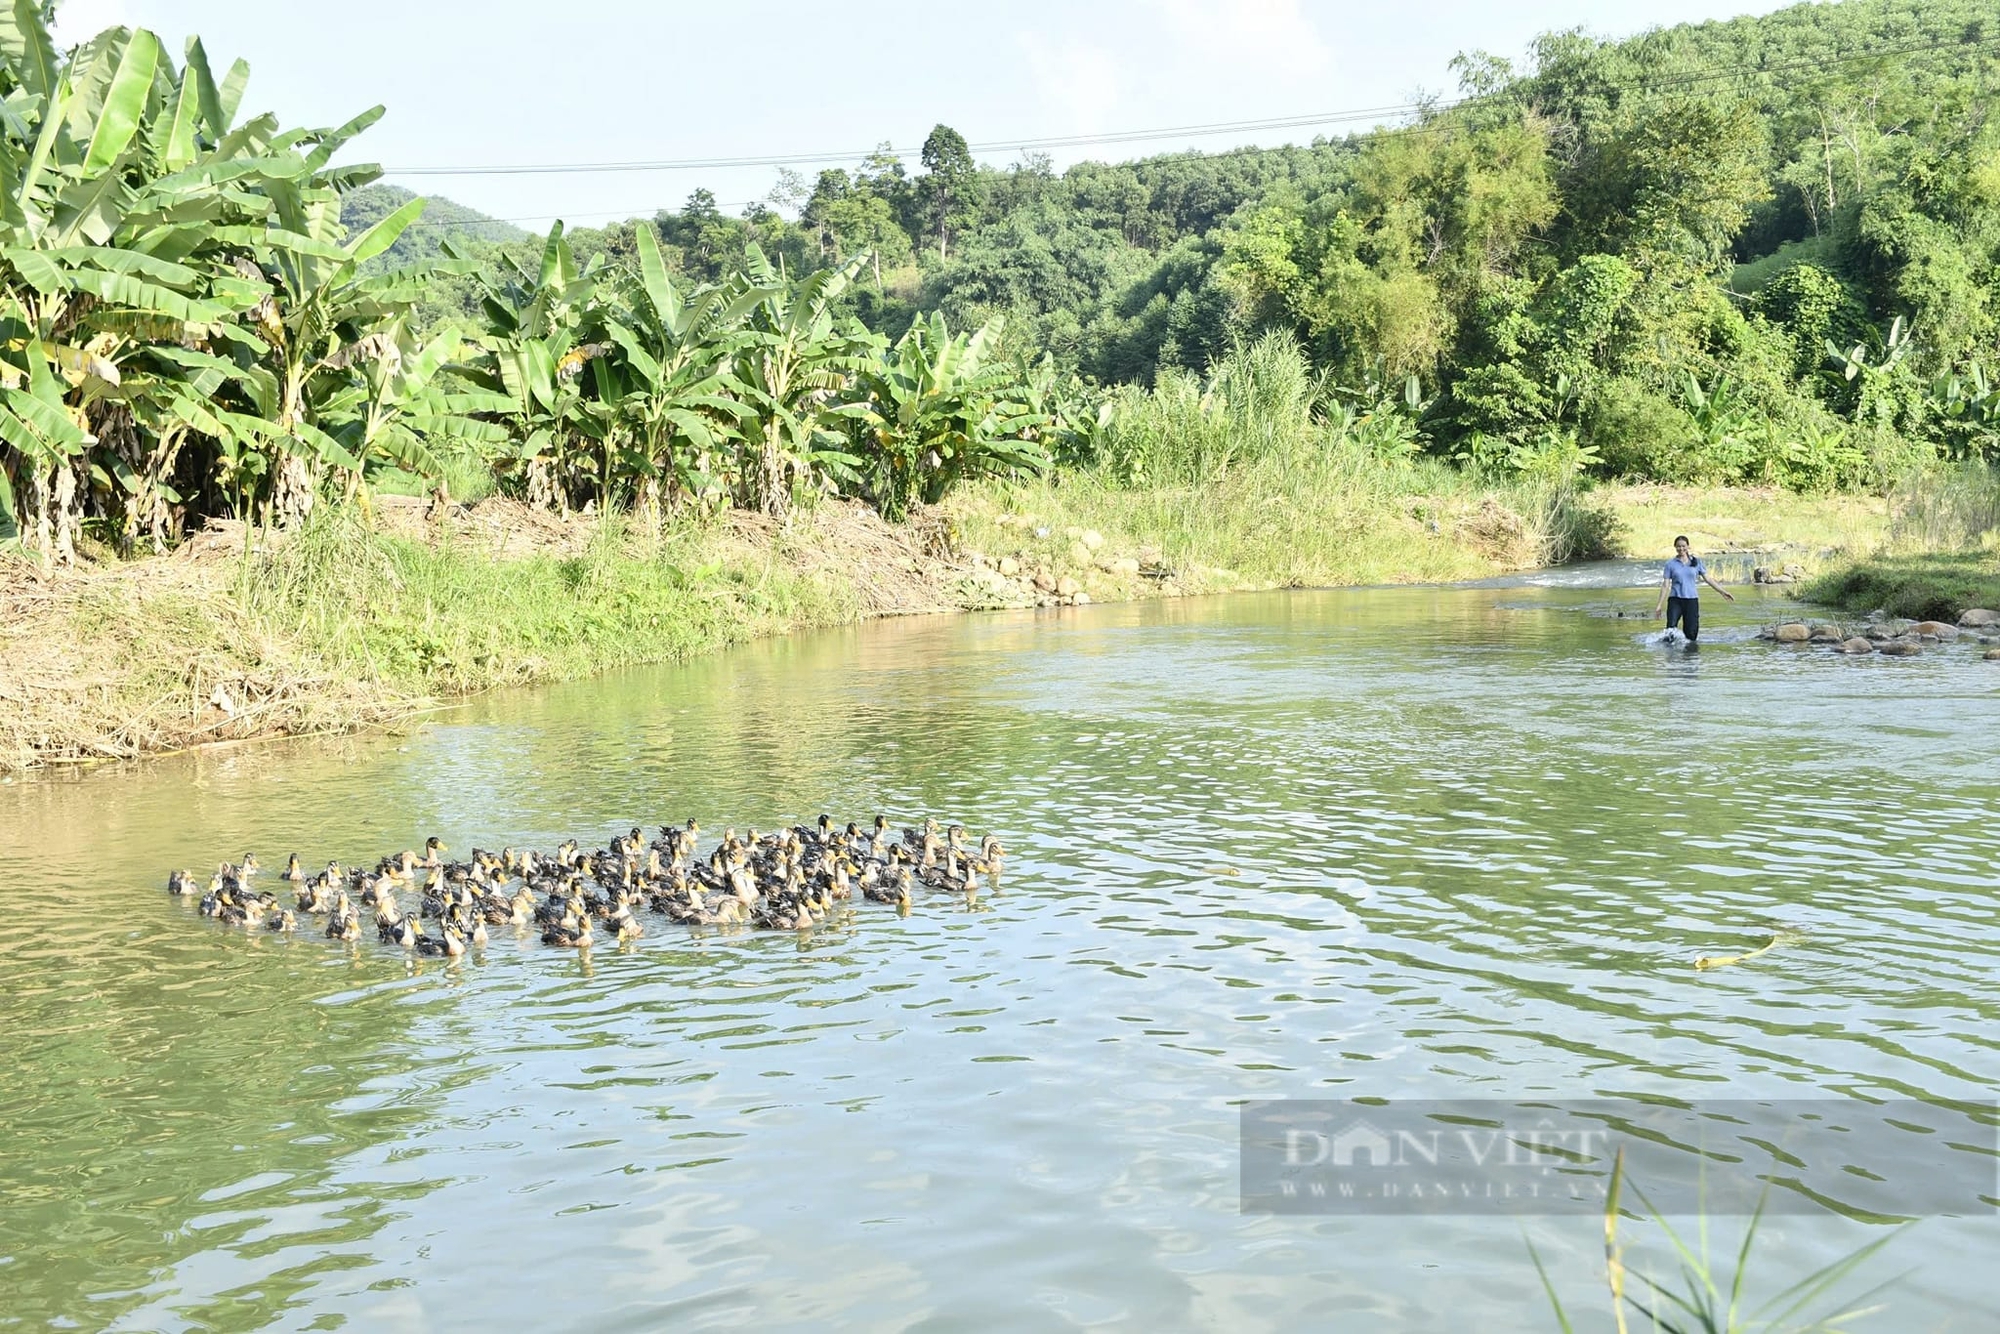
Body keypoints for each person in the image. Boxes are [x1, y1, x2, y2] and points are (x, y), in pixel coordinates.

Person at [1653, 535, 1734, 644]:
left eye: (1683, 546)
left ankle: (1690, 658)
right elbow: (1665, 585)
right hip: (1675, 600)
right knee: (1670, 631)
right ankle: (1671, 658)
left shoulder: (1696, 562)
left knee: (1691, 634)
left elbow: (1708, 579)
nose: (1681, 549)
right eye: (1678, 546)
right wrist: (1659, 605)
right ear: (1675, 547)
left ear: (1688, 546)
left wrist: (1723, 592)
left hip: (1691, 601)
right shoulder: (1670, 564)